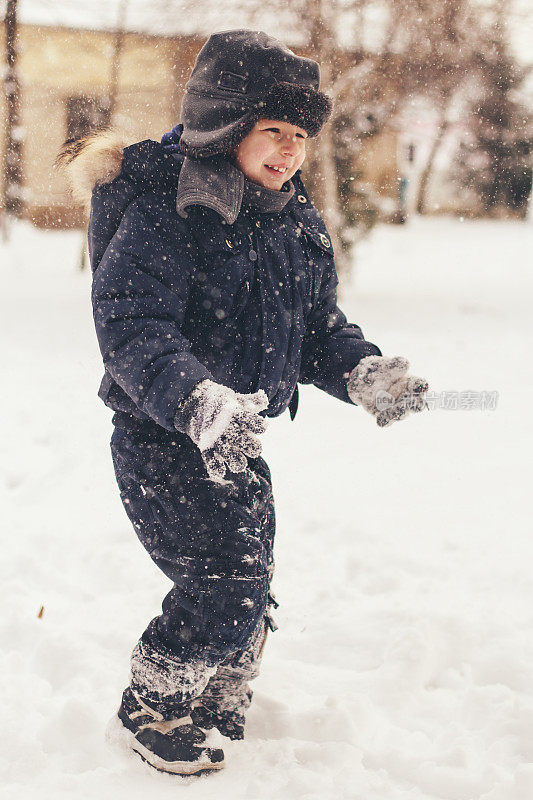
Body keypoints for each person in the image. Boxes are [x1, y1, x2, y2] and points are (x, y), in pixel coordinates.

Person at [59, 29, 428, 776]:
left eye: (298, 135)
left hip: (242, 434)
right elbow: (133, 322)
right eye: (272, 131)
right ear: (227, 124)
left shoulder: (292, 219)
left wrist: (360, 372)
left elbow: (317, 327)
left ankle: (219, 694)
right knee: (221, 580)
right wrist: (197, 401)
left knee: (250, 578)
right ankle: (153, 704)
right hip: (163, 436)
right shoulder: (169, 205)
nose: (288, 150)